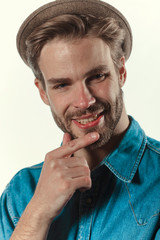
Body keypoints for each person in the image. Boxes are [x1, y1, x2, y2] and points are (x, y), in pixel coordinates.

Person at [0, 0, 160, 239]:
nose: (84, 102)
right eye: (62, 85)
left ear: (121, 72)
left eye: (97, 76)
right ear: (43, 92)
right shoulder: (21, 193)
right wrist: (38, 214)